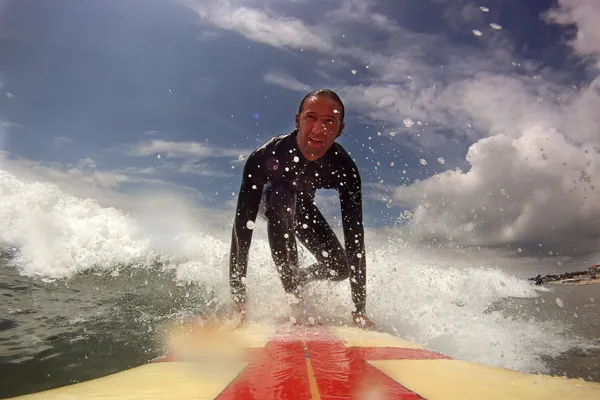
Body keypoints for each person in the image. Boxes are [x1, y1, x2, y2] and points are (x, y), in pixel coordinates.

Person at [229, 88, 373, 328]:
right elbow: (241, 232)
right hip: (272, 201)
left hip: (302, 208)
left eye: (329, 121)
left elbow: (355, 239)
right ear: (298, 120)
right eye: (311, 117)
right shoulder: (264, 157)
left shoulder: (344, 169)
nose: (318, 129)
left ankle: (300, 278)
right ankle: (293, 295)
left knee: (340, 267)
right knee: (282, 194)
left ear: (340, 130)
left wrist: (359, 309)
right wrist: (239, 300)